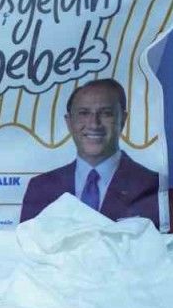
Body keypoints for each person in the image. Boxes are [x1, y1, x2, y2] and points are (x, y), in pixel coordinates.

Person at [19, 78, 160, 226]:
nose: (94, 124)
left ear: (123, 120)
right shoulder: (40, 188)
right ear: (69, 122)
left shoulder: (151, 185)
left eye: (106, 113)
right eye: (84, 113)